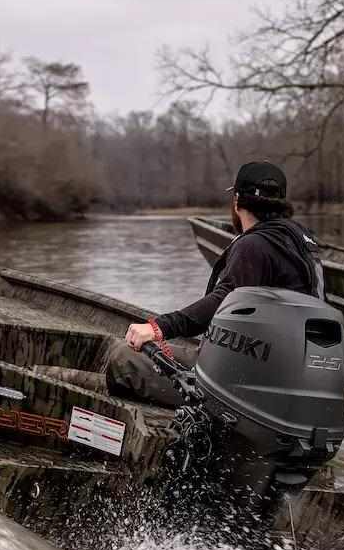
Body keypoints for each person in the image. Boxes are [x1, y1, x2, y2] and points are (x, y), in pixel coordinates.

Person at [105, 161, 324, 407]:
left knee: (122, 357)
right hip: (295, 376)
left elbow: (223, 301)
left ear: (238, 201)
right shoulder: (304, 243)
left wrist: (157, 328)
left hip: (246, 384)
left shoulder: (254, 245)